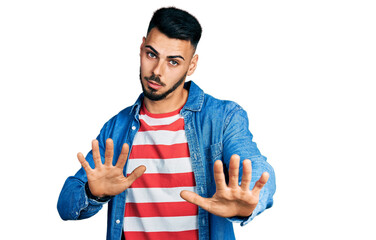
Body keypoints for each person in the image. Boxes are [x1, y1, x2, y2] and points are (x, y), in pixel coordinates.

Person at [57, 7, 276, 240]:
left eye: (173, 62)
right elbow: (66, 206)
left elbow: (257, 167)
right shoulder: (116, 127)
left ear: (191, 66)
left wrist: (249, 201)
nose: (157, 71)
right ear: (141, 49)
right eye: (152, 55)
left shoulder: (223, 117)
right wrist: (93, 193)